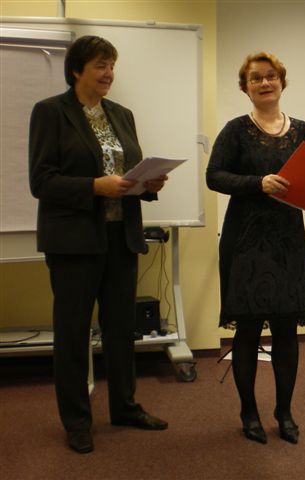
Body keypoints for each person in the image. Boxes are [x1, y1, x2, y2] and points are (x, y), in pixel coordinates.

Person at [29, 36, 169, 454]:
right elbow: (42, 181)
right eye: (100, 66)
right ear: (77, 70)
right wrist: (95, 186)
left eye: (112, 66)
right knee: (73, 333)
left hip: (120, 236)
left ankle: (124, 407)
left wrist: (147, 184)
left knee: (121, 329)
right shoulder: (51, 112)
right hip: (74, 241)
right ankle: (76, 421)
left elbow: (127, 175)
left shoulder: (121, 114)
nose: (109, 74)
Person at [206, 52, 305, 445]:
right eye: (256, 78)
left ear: (282, 81)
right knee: (247, 329)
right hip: (245, 241)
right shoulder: (235, 130)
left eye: (271, 76)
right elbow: (214, 176)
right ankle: (248, 411)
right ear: (245, 87)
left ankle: (284, 412)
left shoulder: (303, 130)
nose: (265, 83)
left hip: (287, 241)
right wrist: (257, 183)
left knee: (285, 330)